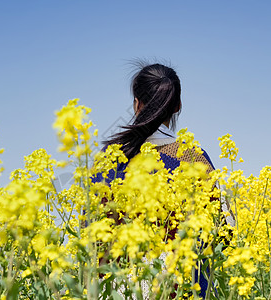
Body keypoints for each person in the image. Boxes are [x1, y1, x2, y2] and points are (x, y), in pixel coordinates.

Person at [94, 62, 232, 298]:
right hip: (182, 290)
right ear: (177, 106)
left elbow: (93, 240)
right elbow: (223, 234)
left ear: (136, 103)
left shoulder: (108, 160)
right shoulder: (194, 158)